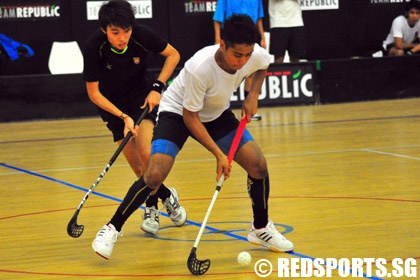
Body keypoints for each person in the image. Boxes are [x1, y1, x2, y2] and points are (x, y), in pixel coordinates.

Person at [91, 14, 294, 260]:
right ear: (222, 45)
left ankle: (260, 228)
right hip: (177, 113)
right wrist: (219, 154)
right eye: (237, 55)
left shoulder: (255, 54)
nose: (243, 61)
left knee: (258, 165)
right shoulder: (201, 67)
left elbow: (263, 64)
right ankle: (112, 228)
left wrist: (253, 95)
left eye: (247, 55)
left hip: (216, 114)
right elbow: (191, 119)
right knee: (154, 173)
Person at [82, 0, 186, 241]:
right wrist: (122, 117)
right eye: (115, 32)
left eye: (126, 31)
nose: (122, 37)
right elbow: (93, 93)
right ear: (104, 30)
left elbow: (173, 55)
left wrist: (157, 88)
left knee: (148, 157)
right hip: (112, 108)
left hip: (141, 102)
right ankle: (167, 196)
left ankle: (151, 208)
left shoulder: (140, 35)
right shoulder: (94, 47)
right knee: (140, 170)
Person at [213, 0, 266, 121]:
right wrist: (217, 38)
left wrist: (262, 37)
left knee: (250, 74)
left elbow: (258, 18)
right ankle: (222, 110)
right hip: (232, 41)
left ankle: (248, 108)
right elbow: (218, 17)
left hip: (249, 39)